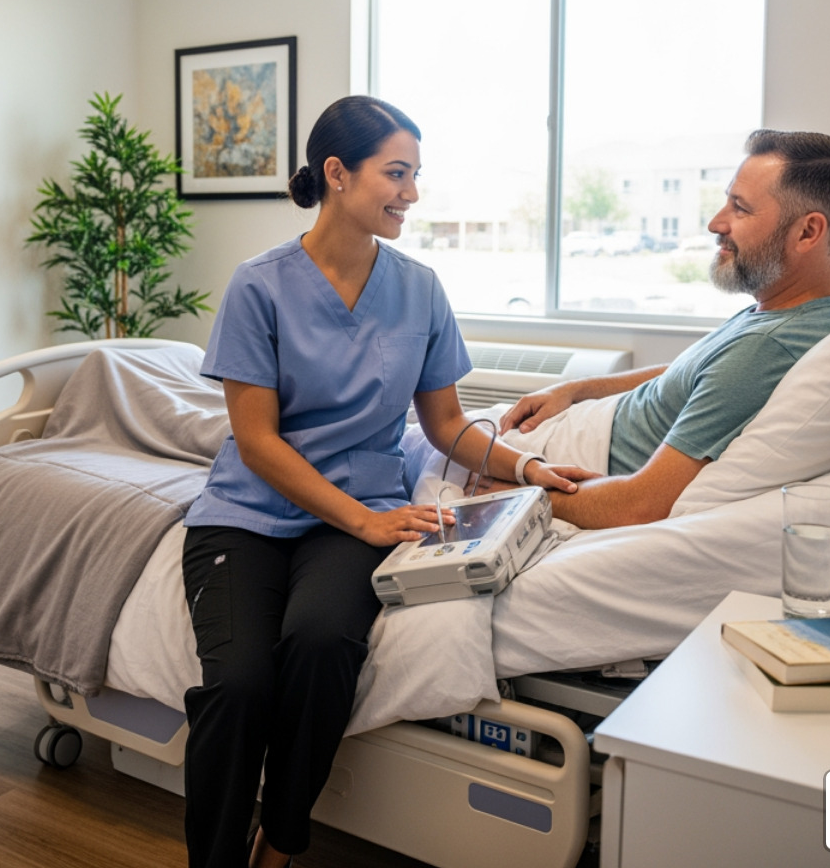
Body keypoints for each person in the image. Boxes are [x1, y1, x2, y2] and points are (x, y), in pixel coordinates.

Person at [180, 95, 591, 868]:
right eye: (395, 174)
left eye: (414, 175)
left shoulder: (419, 288)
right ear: (337, 174)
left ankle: (283, 836)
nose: (410, 193)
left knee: (322, 643)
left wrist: (528, 467)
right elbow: (256, 442)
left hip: (357, 516)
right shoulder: (259, 286)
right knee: (237, 686)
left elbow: (446, 427)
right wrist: (366, 523)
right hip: (246, 516)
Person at [495, 129, 830, 530]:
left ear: (807, 232)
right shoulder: (798, 311)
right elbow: (694, 374)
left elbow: (638, 506)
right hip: (579, 425)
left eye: (741, 208)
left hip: (567, 458)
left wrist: (513, 497)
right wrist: (574, 390)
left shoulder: (767, 347)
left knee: (429, 447)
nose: (716, 223)